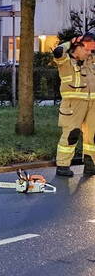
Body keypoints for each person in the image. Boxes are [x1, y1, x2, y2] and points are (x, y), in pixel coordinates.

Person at [52, 33, 95, 177]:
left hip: (93, 104)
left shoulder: (90, 60)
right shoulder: (65, 61)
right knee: (71, 134)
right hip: (72, 105)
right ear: (77, 47)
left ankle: (90, 165)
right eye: (86, 49)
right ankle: (63, 165)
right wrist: (71, 42)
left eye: (91, 50)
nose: (89, 53)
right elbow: (57, 51)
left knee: (92, 136)